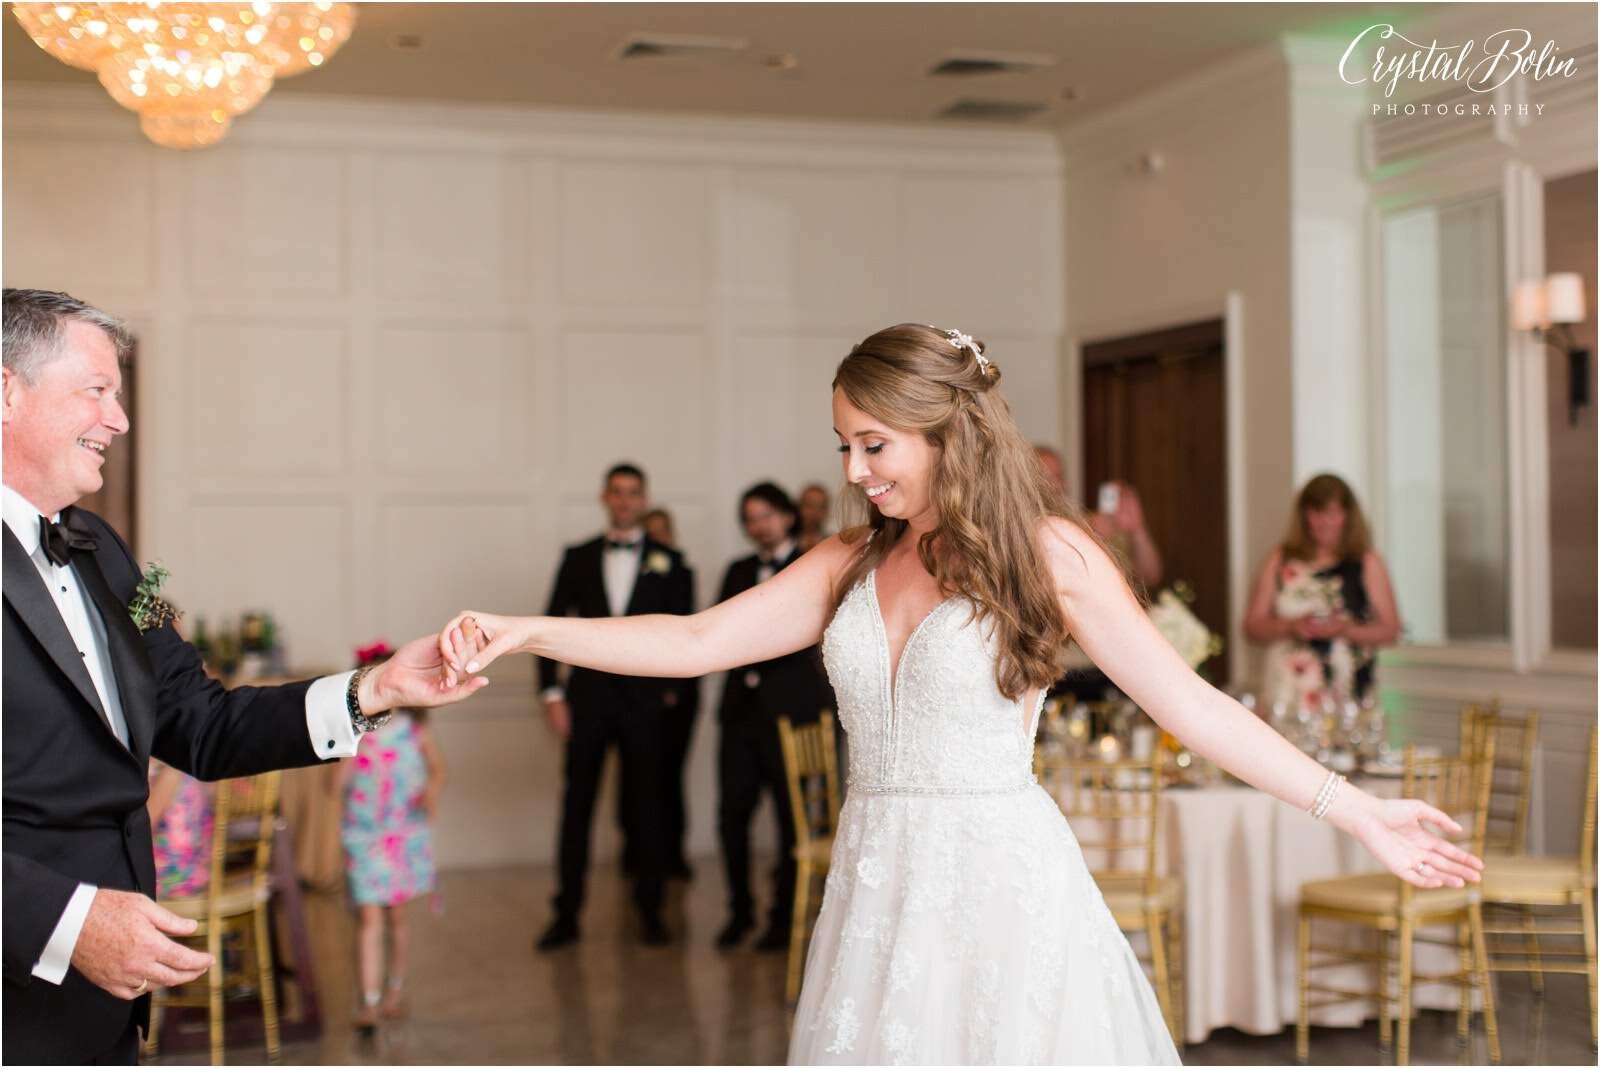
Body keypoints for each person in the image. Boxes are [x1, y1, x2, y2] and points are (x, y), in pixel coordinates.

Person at [440, 323, 1480, 1064]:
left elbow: (1191, 706)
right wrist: (530, 630)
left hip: (998, 883)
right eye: (844, 445)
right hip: (875, 882)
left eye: (872, 445)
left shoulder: (1049, 552)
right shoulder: (846, 559)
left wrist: (1359, 811)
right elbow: (698, 637)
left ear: (946, 434)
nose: (854, 470)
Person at [0, 288, 486, 1064]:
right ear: (6, 390)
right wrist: (66, 923)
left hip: (109, 1003)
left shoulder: (99, 548)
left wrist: (376, 690)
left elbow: (199, 721)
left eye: (119, 397)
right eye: (97, 391)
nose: (119, 421)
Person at [534, 463, 694, 949]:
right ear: (605, 497)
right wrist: (552, 694)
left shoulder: (672, 560)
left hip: (646, 707)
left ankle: (650, 910)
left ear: (644, 499)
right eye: (617, 493)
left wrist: (670, 698)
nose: (624, 501)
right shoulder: (577, 556)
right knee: (576, 807)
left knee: (647, 808)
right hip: (588, 703)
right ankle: (566, 914)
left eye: (633, 493)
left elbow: (687, 634)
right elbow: (548, 624)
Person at [713, 483, 833, 952]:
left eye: (765, 515)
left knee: (792, 819)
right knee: (731, 817)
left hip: (793, 713)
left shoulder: (811, 564)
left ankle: (782, 918)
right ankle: (738, 910)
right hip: (739, 716)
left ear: (787, 516)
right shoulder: (737, 570)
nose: (757, 525)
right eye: (749, 518)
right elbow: (719, 631)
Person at [340, 642, 446, 1032]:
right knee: (369, 916)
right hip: (363, 836)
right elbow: (333, 788)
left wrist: (430, 792)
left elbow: (438, 770)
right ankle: (367, 1000)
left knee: (397, 917)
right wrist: (343, 758)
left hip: (403, 834)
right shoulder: (354, 736)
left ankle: (394, 990)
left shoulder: (414, 733)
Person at [1245, 473, 1402, 716]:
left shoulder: (1366, 562)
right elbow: (1252, 626)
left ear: (1347, 516)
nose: (1324, 522)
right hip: (1288, 692)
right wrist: (1290, 626)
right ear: (1304, 516)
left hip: (1345, 693)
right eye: (1316, 513)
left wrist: (1345, 630)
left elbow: (1391, 630)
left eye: (1333, 514)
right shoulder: (1280, 558)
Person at [796, 483, 832, 553]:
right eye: (809, 506)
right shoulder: (786, 543)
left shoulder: (833, 544)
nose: (814, 512)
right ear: (799, 507)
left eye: (821, 507)